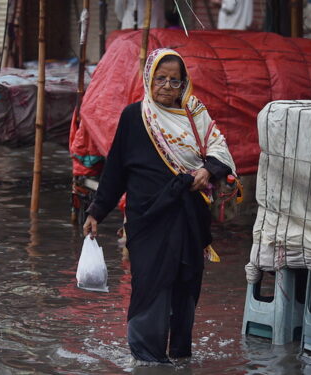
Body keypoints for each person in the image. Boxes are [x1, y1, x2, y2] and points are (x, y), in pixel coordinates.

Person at [82, 48, 236, 365]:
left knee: (186, 283)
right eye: (160, 79)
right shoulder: (133, 117)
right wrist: (96, 212)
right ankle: (148, 358)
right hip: (147, 218)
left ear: (184, 84)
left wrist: (207, 170)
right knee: (150, 282)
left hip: (189, 216)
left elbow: (220, 150)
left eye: (174, 81)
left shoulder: (195, 115)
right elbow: (115, 173)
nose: (167, 86)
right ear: (149, 79)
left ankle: (180, 355)